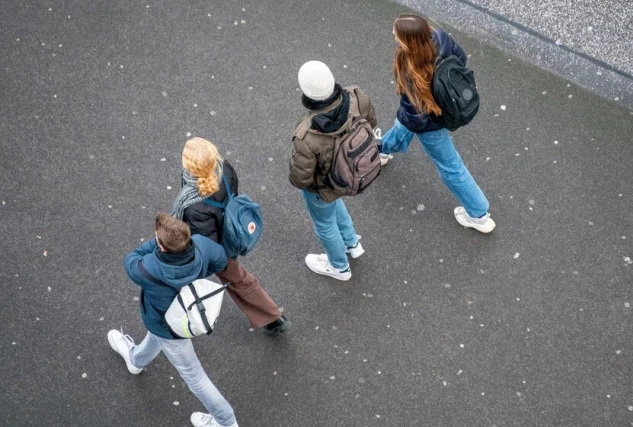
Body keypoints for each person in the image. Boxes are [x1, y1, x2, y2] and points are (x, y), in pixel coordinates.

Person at [108, 213, 238, 427]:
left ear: (162, 247)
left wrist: (158, 241)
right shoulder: (201, 246)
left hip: (165, 324)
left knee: (195, 377)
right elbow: (221, 259)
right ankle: (135, 360)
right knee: (157, 339)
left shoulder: (147, 269)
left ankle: (226, 422)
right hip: (186, 316)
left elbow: (131, 258)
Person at [379, 14, 496, 233]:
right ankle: (382, 149)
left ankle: (479, 214)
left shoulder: (409, 67)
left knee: (451, 167)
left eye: (396, 33)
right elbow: (460, 58)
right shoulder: (439, 37)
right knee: (401, 126)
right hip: (442, 110)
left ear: (408, 41)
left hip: (430, 123)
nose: (393, 34)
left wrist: (410, 117)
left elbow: (415, 117)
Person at [172, 137, 291, 335]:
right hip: (230, 233)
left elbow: (205, 243)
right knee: (239, 279)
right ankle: (273, 317)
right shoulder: (223, 168)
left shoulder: (194, 205)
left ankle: (173, 316)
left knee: (175, 276)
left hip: (217, 247)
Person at [289, 60, 377, 281]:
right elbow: (372, 123)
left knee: (325, 224)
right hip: (350, 175)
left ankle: (339, 266)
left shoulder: (307, 134)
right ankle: (351, 243)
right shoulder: (357, 96)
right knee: (336, 206)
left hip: (325, 186)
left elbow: (301, 178)